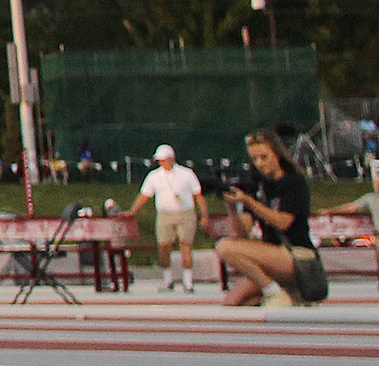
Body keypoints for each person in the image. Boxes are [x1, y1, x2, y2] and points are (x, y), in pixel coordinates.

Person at [214, 129, 322, 307]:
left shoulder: (294, 182)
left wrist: (249, 201)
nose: (260, 163)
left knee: (224, 247)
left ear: (277, 154)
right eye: (255, 159)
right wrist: (233, 207)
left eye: (264, 157)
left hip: (297, 255)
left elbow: (284, 222)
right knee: (233, 302)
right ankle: (287, 294)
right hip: (271, 255)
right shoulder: (259, 186)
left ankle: (275, 292)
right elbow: (242, 233)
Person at [118, 143, 210, 293]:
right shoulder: (154, 176)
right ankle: (168, 279)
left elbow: (198, 195)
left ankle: (188, 281)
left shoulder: (186, 173)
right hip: (165, 214)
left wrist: (204, 215)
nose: (162, 162)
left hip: (185, 213)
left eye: (164, 159)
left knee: (186, 245)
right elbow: (145, 195)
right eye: (160, 160)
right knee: (164, 246)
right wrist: (133, 211)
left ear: (172, 158)